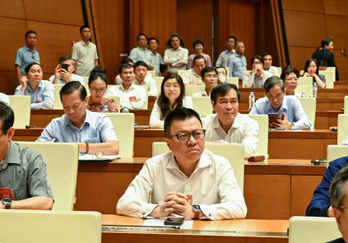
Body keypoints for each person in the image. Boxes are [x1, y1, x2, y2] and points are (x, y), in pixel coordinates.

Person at [116, 107, 246, 220]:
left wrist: (195, 211)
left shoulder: (220, 165)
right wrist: (158, 210)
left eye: (197, 134)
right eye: (183, 136)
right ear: (168, 144)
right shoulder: (154, 165)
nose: (192, 141)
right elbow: (124, 204)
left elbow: (239, 207)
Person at [37, 81, 119, 156]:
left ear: (86, 101)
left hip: (95, 170)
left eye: (75, 106)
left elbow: (114, 148)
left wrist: (78, 147)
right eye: (66, 107)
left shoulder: (101, 120)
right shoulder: (56, 124)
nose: (71, 111)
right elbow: (36, 149)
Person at [202, 83, 259, 158]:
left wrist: (218, 144)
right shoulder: (203, 123)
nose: (229, 107)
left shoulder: (249, 124)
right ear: (213, 105)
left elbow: (248, 151)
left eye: (233, 101)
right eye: (223, 102)